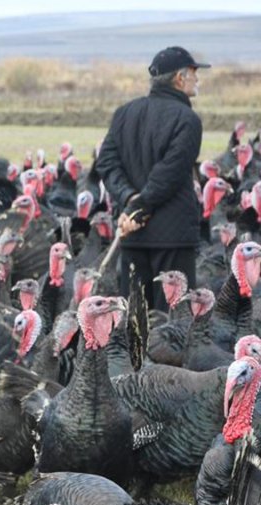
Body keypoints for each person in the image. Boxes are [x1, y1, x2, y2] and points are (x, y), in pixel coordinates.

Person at [95, 46, 208, 311]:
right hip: (173, 239)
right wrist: (137, 205)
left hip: (133, 235)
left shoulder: (124, 113)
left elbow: (107, 162)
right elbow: (171, 171)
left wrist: (129, 199)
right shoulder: (187, 120)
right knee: (171, 327)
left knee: (134, 324)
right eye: (194, 74)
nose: (197, 80)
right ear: (180, 78)